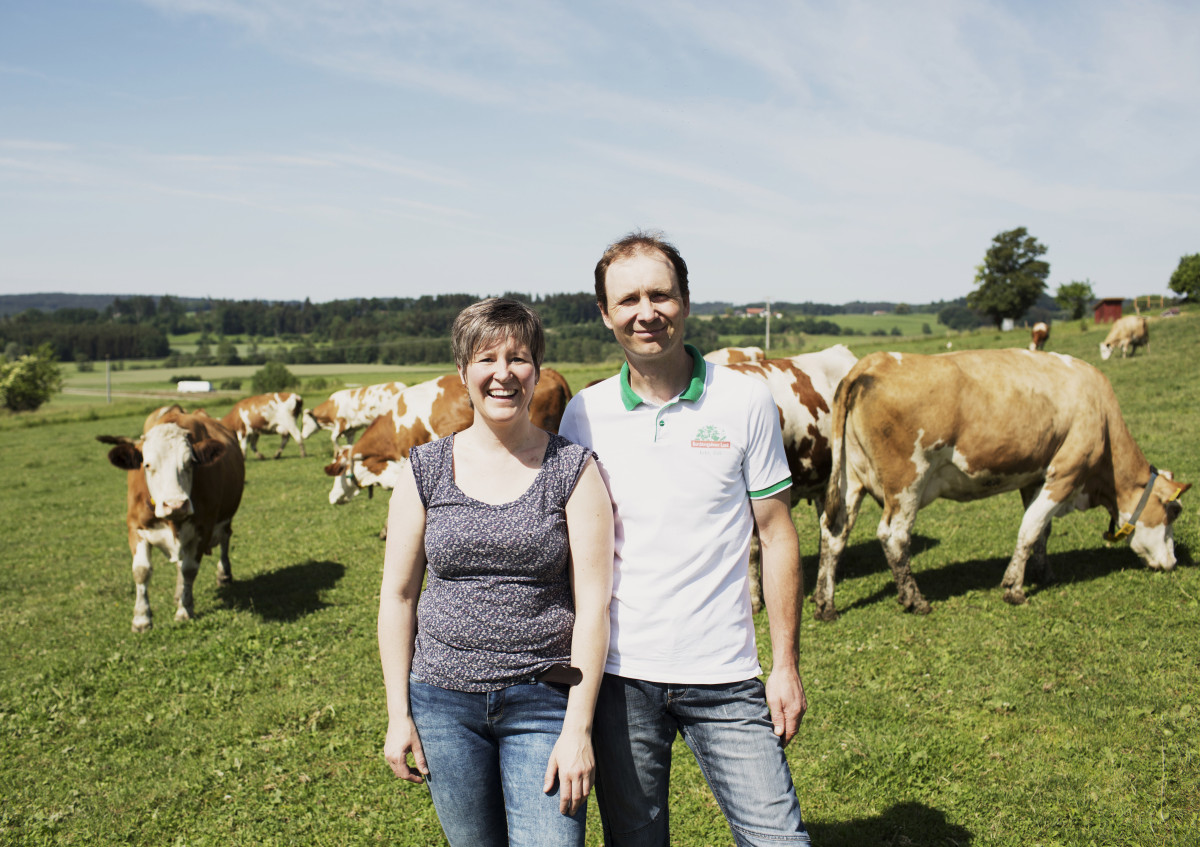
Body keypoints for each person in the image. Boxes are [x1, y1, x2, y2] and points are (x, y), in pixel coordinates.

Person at [558, 231, 813, 846]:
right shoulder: (582, 416)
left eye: (660, 295)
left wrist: (786, 666)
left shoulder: (747, 401)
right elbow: (569, 559)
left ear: (686, 301)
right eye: (628, 300)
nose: (646, 313)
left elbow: (777, 536)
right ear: (605, 313)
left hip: (725, 673)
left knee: (778, 840)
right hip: (619, 680)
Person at [378, 297, 614, 847]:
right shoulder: (425, 469)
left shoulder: (573, 470)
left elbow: (594, 605)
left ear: (537, 370)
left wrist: (578, 726)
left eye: (519, 357)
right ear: (463, 372)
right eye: (486, 359)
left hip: (544, 701)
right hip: (442, 703)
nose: (503, 373)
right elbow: (398, 597)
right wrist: (398, 714)